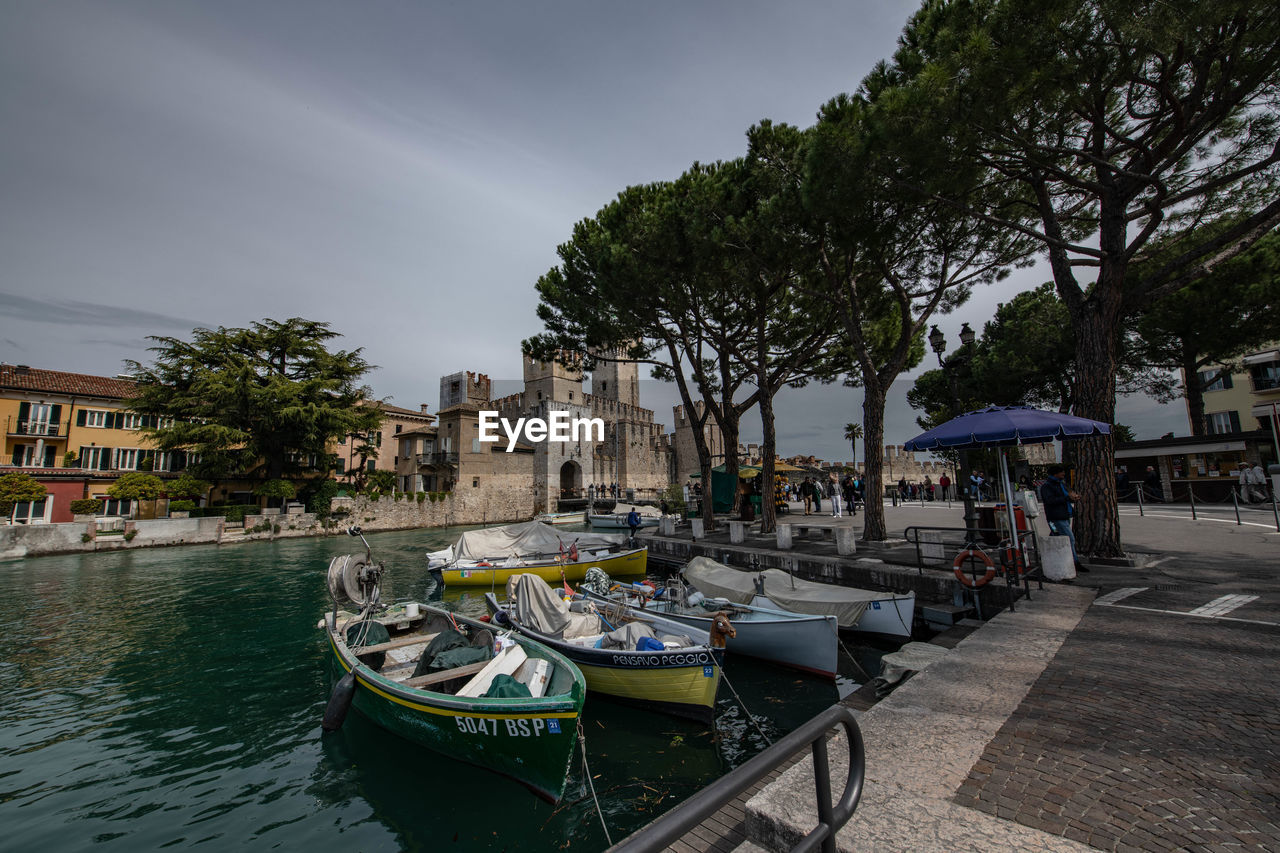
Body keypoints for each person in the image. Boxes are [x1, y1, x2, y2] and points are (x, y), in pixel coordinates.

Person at [1039, 465, 1088, 573]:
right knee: (1069, 539)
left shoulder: (1061, 484)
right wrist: (1067, 498)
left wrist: (1072, 498)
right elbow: (1050, 500)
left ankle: (1047, 557)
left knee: (1055, 536)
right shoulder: (1048, 486)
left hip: (1063, 515)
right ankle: (1075, 562)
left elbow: (1064, 497)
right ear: (1055, 474)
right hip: (1056, 517)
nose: (1063, 474)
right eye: (1061, 472)